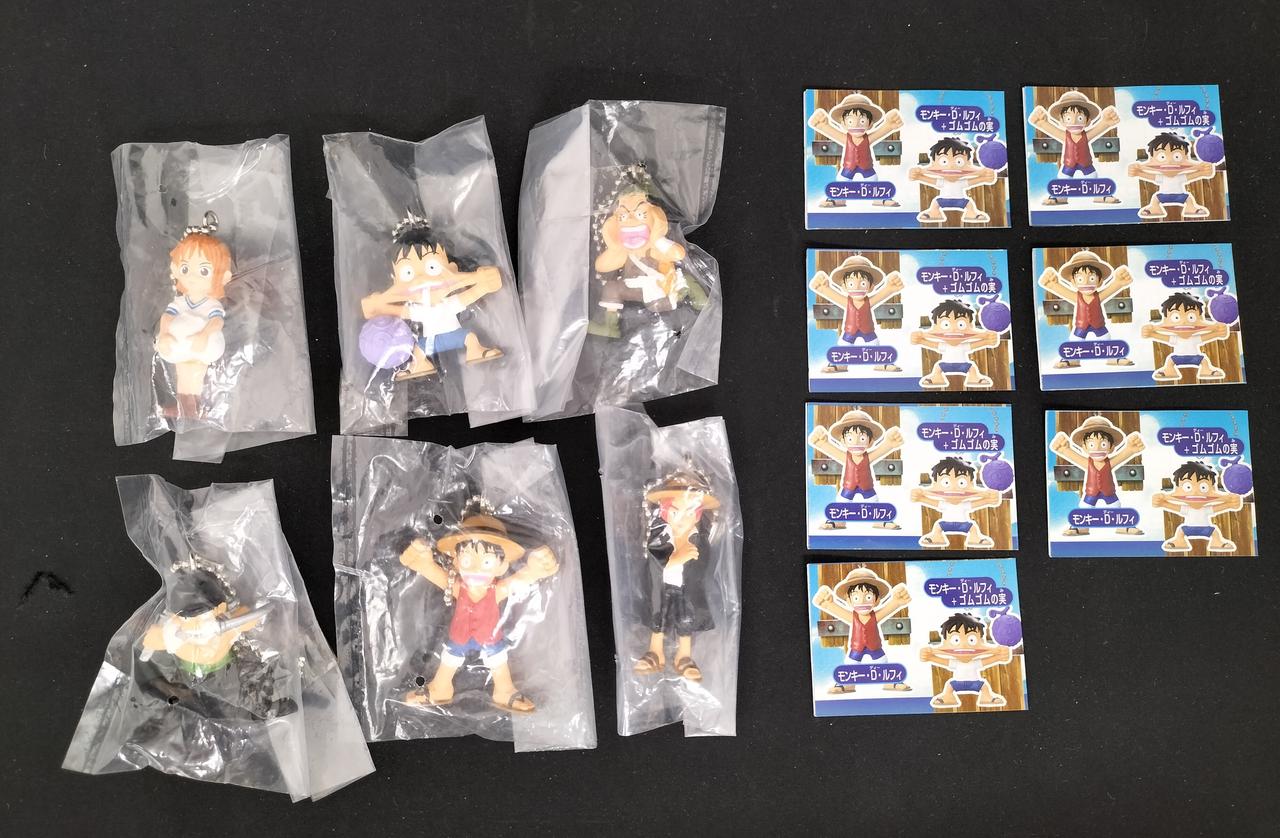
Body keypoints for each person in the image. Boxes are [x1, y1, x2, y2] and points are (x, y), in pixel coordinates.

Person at [399, 506, 559, 713]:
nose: (476, 568)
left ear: (502, 566)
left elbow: (523, 578)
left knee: (498, 662)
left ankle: (504, 691)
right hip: (459, 636)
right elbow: (432, 571)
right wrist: (422, 563)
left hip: (490, 638)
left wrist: (535, 570)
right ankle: (440, 688)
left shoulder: (497, 590)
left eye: (486, 561)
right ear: (456, 562)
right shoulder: (457, 587)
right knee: (449, 660)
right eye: (467, 559)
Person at [361, 211, 504, 380]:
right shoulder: (418, 310)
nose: (422, 280)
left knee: (470, 338)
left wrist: (484, 284)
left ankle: (475, 351)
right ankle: (419, 365)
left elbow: (471, 294)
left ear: (452, 268)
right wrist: (378, 306)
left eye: (432, 268)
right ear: (395, 281)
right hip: (430, 342)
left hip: (456, 336)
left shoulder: (449, 303)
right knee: (419, 349)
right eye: (408, 273)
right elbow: (396, 312)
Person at [632, 468, 720, 682]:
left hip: (686, 589)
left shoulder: (699, 539)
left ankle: (684, 655)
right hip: (661, 586)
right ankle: (655, 651)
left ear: (697, 514)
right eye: (674, 511)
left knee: (685, 617)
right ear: (664, 511)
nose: (681, 519)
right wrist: (676, 558)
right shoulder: (659, 536)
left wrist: (689, 557)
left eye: (689, 512)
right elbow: (655, 561)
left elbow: (702, 566)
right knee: (658, 616)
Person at [155, 212, 231, 420]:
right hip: (179, 345)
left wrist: (204, 335)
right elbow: (167, 317)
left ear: (223, 276)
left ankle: (194, 409)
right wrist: (164, 334)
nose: (193, 277)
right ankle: (186, 409)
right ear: (176, 269)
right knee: (183, 375)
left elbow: (217, 321)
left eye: (204, 271)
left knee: (195, 376)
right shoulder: (181, 301)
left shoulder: (211, 303)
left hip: (202, 345)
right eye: (186, 268)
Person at [811, 566, 911, 693]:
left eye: (868, 597)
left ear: (877, 600)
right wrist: (827, 603)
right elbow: (833, 608)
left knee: (882, 662)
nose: (862, 601)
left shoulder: (875, 616)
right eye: (856, 598)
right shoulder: (853, 617)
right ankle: (847, 684)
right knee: (851, 663)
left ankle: (890, 682)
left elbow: (891, 607)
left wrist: (897, 601)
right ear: (848, 601)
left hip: (875, 646)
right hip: (856, 647)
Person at [808, 409, 905, 530]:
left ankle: (879, 521)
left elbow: (883, 449)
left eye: (862, 438)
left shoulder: (868, 457)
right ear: (843, 441)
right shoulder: (846, 457)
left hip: (867, 486)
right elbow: (829, 449)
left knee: (873, 502)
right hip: (848, 486)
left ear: (870, 442)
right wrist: (821, 443)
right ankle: (839, 521)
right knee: (842, 501)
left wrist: (890, 443)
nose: (856, 442)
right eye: (850, 439)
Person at [1048, 415, 1145, 536]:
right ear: (1084, 447)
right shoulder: (1088, 463)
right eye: (1092, 445)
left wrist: (1131, 449)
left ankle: (1122, 526)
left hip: (1109, 491)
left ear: (1112, 447)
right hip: (1091, 492)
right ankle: (1081, 527)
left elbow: (1123, 455)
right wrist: (1063, 449)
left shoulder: (1109, 463)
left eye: (1103, 444)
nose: (1098, 448)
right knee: (1085, 507)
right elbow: (1073, 456)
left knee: (1116, 507)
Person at [1037, 249, 1135, 368]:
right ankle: (1072, 359)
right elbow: (1060, 289)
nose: (1086, 283)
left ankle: (1113, 357)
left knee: (1106, 339)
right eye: (1080, 279)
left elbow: (1113, 287)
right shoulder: (1077, 297)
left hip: (1098, 325)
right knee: (1075, 340)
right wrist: (1052, 284)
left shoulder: (1098, 296)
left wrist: (1119, 282)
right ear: (1073, 282)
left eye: (1092, 278)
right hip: (1081, 325)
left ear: (1100, 281)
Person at [809, 254, 905, 373]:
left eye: (863, 283)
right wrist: (823, 288)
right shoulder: (847, 301)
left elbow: (883, 294)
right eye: (851, 284)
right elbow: (831, 294)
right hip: (850, 331)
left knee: (875, 345)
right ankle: (840, 364)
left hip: (868, 330)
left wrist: (891, 288)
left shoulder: (868, 301)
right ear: (844, 287)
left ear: (871, 287)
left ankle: (880, 363)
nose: (857, 287)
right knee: (844, 345)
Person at [808, 92, 904, 208]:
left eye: (862, 121)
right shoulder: (846, 138)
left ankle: (879, 198)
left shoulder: (868, 139)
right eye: (850, 121)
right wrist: (822, 125)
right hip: (849, 167)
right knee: (842, 180)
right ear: (843, 124)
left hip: (866, 166)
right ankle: (838, 199)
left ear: (870, 124)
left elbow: (882, 130)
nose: (856, 125)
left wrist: (890, 125)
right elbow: (830, 131)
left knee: (873, 181)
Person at [1027, 90, 1122, 205]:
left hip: (1086, 163)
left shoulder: (1086, 136)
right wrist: (1041, 123)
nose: (1074, 122)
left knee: (1093, 177)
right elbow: (1050, 129)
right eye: (1068, 118)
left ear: (1088, 121)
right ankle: (1060, 197)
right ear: (1061, 121)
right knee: (1063, 178)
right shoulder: (1065, 136)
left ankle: (1099, 195)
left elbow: (1101, 127)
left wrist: (1106, 122)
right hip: (1069, 164)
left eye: (1080, 118)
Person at [919, 613, 1013, 709]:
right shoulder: (955, 663)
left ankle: (987, 697)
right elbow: (941, 660)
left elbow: (990, 660)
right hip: (957, 684)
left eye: (972, 640)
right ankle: (948, 697)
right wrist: (930, 657)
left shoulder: (975, 663)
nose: (964, 645)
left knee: (984, 687)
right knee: (949, 686)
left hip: (975, 684)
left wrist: (999, 656)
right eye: (956, 640)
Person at [1153, 461, 1244, 553]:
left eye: (1203, 487)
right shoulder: (1187, 509)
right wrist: (1162, 503)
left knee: (1215, 532)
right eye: (1188, 487)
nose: (1195, 492)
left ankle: (1217, 542)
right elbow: (1173, 506)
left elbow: (1220, 507)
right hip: (1188, 529)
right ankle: (1179, 542)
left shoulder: (1205, 509)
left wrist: (1230, 504)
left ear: (1212, 488)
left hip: (1206, 529)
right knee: (1180, 531)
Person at [911, 457, 1003, 549]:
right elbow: (928, 501)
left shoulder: (964, 505)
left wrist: (989, 499)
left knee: (973, 528)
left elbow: (980, 502)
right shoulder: (944, 504)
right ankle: (936, 538)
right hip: (946, 524)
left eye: (962, 483)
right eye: (946, 482)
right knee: (937, 527)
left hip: (963, 525)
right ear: (935, 483)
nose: (953, 488)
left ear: (971, 483)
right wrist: (919, 497)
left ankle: (975, 539)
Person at [910, 299, 1000, 389]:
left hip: (963, 365)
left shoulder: (963, 346)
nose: (953, 329)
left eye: (961, 324)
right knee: (937, 367)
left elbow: (976, 344)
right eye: (945, 324)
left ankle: (974, 378)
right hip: (946, 365)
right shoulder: (945, 346)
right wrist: (920, 341)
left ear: (970, 326)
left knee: (972, 368)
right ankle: (936, 378)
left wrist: (988, 341)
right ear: (936, 326)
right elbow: (931, 344)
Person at [1141, 292, 1230, 382]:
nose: (1183, 322)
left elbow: (1207, 336)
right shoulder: (1176, 338)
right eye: (1176, 317)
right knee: (1170, 361)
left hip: (1195, 358)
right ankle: (1169, 371)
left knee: (1204, 361)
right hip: (1178, 358)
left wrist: (1217, 332)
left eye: (1191, 317)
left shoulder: (1194, 338)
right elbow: (1162, 337)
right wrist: (1151, 334)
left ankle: (1206, 371)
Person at [910, 137, 998, 224]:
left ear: (968, 163)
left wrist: (985, 178)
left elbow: (975, 180)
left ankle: (971, 213)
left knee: (969, 204)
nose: (951, 166)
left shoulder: (961, 182)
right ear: (933, 163)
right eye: (944, 161)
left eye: (959, 161)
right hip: (943, 201)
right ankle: (934, 213)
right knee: (935, 203)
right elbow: (929, 180)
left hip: (961, 201)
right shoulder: (942, 182)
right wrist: (919, 176)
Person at [1128, 132, 1217, 220]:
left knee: (1189, 198)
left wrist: (1202, 172)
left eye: (1177, 156)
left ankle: (1191, 208)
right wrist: (1138, 173)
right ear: (1152, 158)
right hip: (1163, 196)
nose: (1169, 161)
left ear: (1186, 157)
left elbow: (1193, 175)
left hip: (1180, 196)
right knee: (1155, 198)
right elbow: (1149, 176)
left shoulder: (1180, 177)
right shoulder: (1162, 177)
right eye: (1162, 157)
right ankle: (1155, 209)